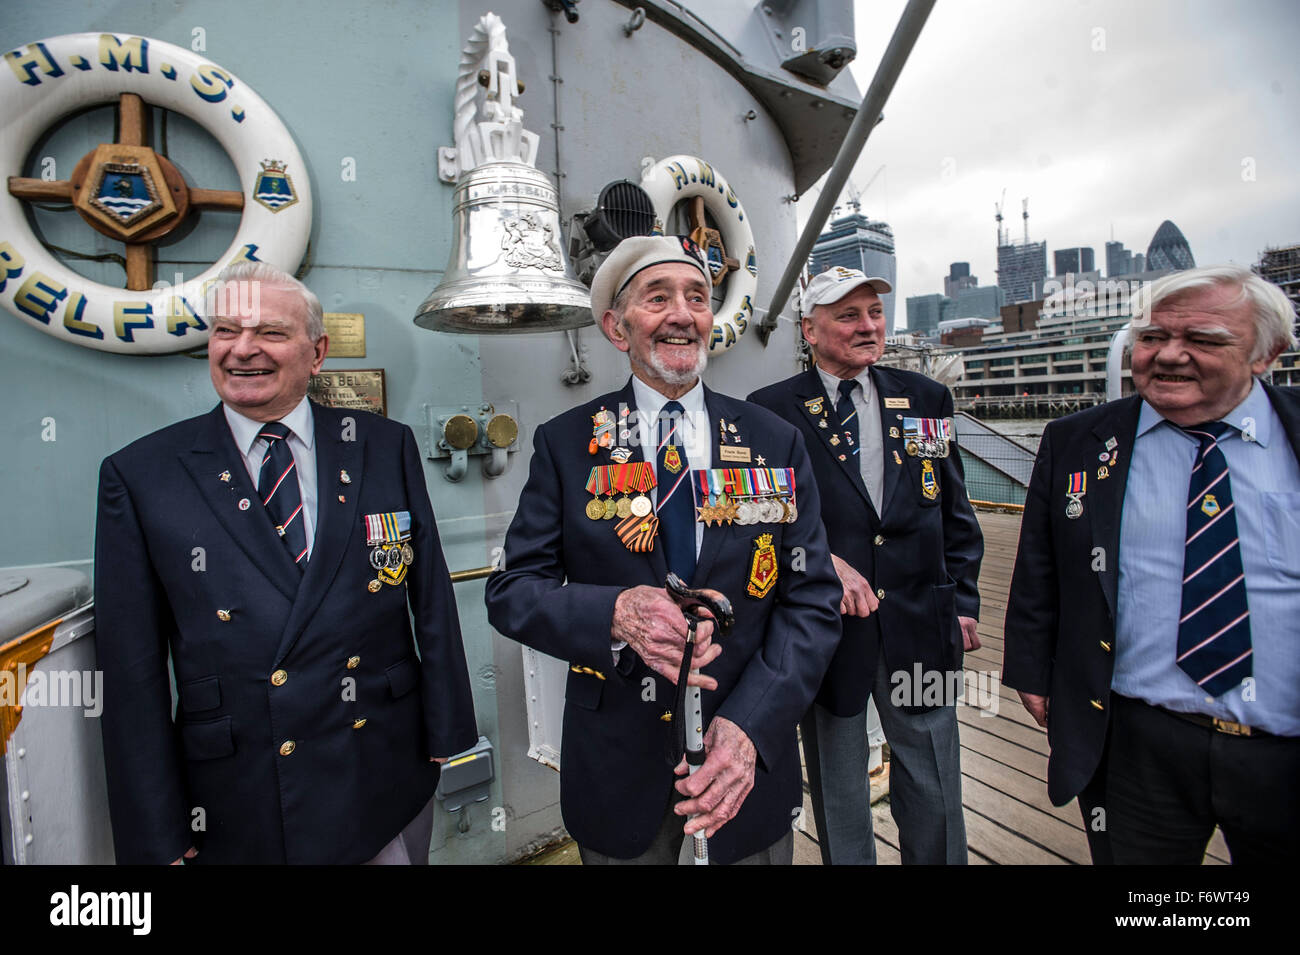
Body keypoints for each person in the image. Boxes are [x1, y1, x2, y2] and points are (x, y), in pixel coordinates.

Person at [94, 262, 477, 864]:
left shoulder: (383, 445)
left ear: (317, 352)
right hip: (240, 791)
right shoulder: (142, 476)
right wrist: (157, 833)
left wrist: (449, 730)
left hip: (383, 766)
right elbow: (130, 671)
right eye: (226, 332)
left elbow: (429, 598)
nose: (243, 350)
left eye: (270, 332)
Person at [485, 235, 842, 865]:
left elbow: (811, 599)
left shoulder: (774, 441)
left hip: (745, 758)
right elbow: (513, 590)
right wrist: (614, 612)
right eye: (658, 298)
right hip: (619, 760)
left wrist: (750, 724)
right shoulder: (567, 445)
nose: (682, 313)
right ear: (617, 328)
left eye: (698, 297)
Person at [1003, 265, 1300, 864]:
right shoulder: (1075, 442)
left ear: (1266, 354)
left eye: (1204, 341)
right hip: (1135, 738)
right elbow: (1041, 568)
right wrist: (1031, 673)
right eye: (1151, 337)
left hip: (1285, 745)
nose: (1169, 356)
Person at [748, 266, 984, 865]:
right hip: (826, 627)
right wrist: (822, 559)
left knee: (934, 777)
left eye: (875, 314)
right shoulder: (767, 412)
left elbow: (954, 512)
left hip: (922, 620)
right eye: (849, 316)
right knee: (840, 785)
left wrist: (962, 601)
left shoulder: (926, 398)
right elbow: (757, 522)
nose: (868, 326)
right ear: (810, 329)